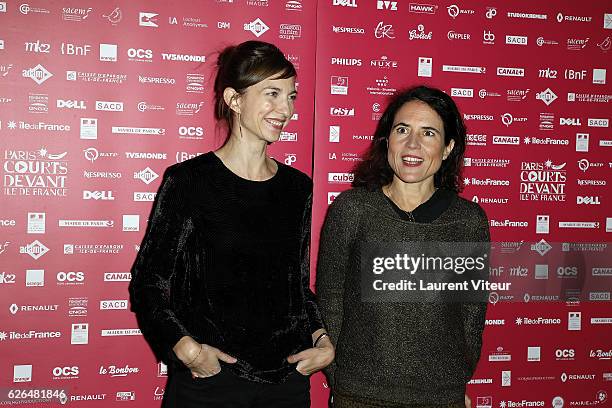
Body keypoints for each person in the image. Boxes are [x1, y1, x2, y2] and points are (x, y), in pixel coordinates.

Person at [129, 40, 334, 408]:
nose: (285, 108)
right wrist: (188, 351)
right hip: (210, 382)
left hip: (285, 381)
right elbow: (149, 283)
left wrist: (321, 338)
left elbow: (296, 286)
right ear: (235, 100)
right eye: (272, 94)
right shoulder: (189, 181)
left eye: (291, 96)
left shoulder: (297, 187)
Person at [316, 86, 490, 408]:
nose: (413, 144)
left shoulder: (469, 221)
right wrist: (341, 374)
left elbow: (471, 314)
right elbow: (330, 298)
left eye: (428, 133)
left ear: (449, 147)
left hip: (441, 398)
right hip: (359, 396)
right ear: (388, 140)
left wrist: (454, 379)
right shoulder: (353, 210)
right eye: (402, 130)